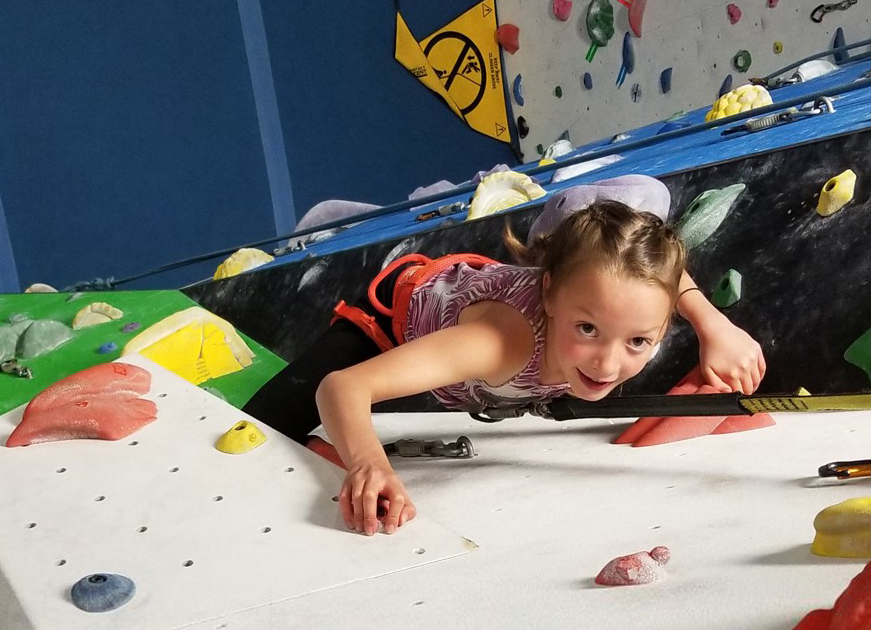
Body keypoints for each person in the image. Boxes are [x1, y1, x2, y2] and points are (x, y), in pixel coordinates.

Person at [242, 200, 765, 537]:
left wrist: (714, 325)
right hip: (393, 320)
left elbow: (664, 275)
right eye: (587, 330)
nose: (608, 364)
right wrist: (366, 464)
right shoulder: (496, 345)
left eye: (638, 341)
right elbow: (344, 387)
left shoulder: (628, 298)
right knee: (259, 427)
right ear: (549, 293)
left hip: (493, 313)